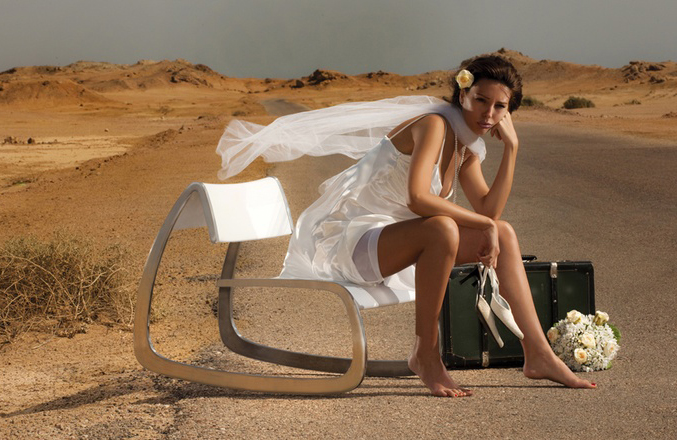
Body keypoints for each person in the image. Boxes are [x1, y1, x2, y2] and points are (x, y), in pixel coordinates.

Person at [217, 55, 597, 397]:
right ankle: (425, 353)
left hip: (397, 243)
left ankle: (538, 353)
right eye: (481, 100)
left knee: (505, 233)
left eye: (500, 106)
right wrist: (484, 223)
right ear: (462, 94)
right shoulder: (434, 125)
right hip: (352, 244)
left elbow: (490, 210)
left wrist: (512, 149)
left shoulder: (465, 147)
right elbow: (418, 199)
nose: (489, 114)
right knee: (443, 228)